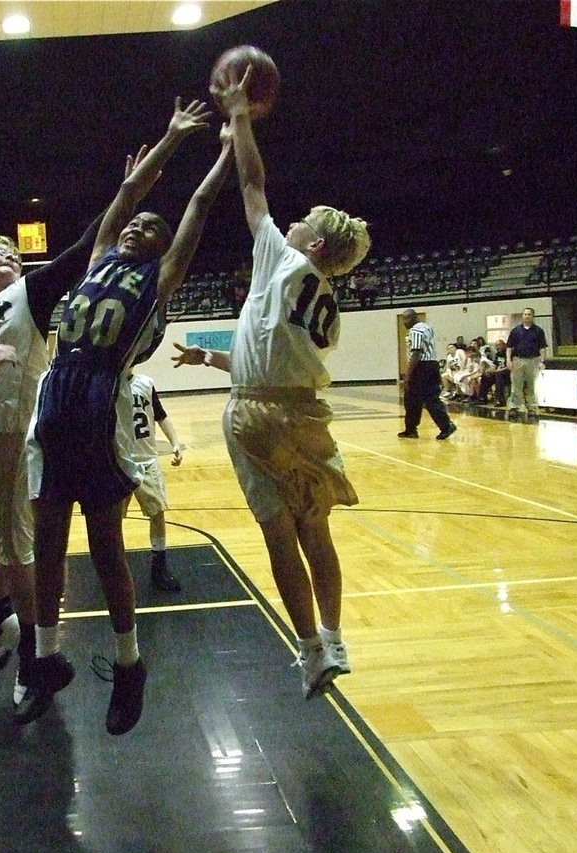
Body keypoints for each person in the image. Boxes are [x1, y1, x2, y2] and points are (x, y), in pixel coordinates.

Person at [22, 98, 231, 735]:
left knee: (106, 542)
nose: (140, 227)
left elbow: (193, 209)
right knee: (47, 539)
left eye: (151, 228)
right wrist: (169, 139)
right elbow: (130, 191)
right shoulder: (97, 259)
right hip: (55, 397)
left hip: (99, 402)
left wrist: (223, 153)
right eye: (135, 223)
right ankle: (48, 656)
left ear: (164, 248)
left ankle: (130, 662)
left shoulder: (159, 278)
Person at [172, 71, 370, 700]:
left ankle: (310, 650)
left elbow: (252, 186)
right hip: (307, 415)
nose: (290, 225)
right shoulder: (330, 304)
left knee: (278, 533)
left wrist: (240, 117)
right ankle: (335, 637)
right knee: (318, 529)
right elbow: (273, 363)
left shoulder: (285, 261)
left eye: (302, 223)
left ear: (311, 242)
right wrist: (211, 362)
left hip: (258, 418)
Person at [0, 154, 123, 704]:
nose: (8, 256)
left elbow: (84, 248)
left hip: (13, 445)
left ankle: (36, 659)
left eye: (14, 253)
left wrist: (125, 188)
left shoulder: (29, 295)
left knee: (15, 554)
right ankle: (1, 624)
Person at [124, 370, 185, 592]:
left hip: (147, 459)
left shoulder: (146, 383)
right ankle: (111, 563)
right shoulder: (109, 384)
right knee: (112, 516)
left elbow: (160, 415)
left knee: (157, 512)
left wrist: (175, 442)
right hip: (120, 460)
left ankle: (159, 567)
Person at [398, 309, 456, 440]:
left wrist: (408, 374)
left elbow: (417, 353)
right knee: (414, 398)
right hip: (432, 365)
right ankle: (411, 429)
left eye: (405, 319)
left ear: (413, 318)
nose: (404, 323)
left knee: (427, 399)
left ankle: (446, 426)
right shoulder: (427, 327)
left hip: (422, 367)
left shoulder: (415, 331)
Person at [506, 307, 548, 416]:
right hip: (518, 360)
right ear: (522, 316)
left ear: (533, 316)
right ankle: (514, 407)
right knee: (516, 385)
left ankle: (532, 407)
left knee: (531, 385)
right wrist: (508, 360)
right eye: (525, 314)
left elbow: (542, 348)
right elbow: (509, 347)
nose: (527, 316)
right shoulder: (515, 331)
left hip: (533, 360)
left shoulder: (539, 331)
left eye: (529, 314)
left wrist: (542, 361)